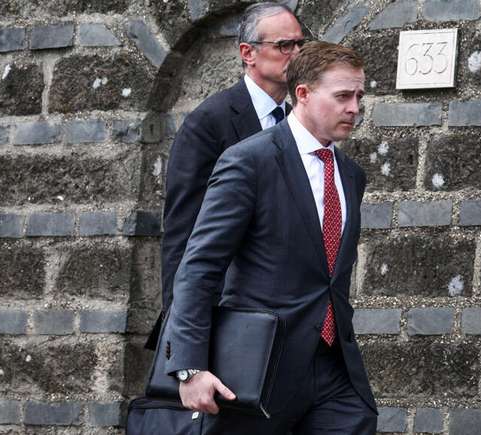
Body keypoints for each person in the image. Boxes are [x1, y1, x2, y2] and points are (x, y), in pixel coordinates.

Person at [163, 41, 377, 434]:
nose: (354, 108)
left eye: (359, 96)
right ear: (303, 93)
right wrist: (189, 367)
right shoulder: (250, 161)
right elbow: (199, 266)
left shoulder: (351, 175)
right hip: (260, 366)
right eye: (342, 96)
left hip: (333, 369)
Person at [155, 2, 305, 346]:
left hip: (286, 316)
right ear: (248, 53)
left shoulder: (298, 123)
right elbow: (183, 234)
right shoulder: (209, 123)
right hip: (225, 316)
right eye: (284, 45)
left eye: (300, 44)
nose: (296, 54)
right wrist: (183, 341)